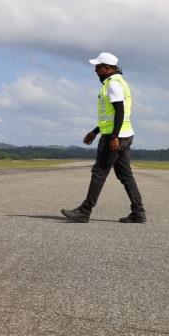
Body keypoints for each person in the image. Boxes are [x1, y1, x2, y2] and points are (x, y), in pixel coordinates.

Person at [62, 52, 146, 223]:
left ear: (107, 68)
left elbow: (119, 112)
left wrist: (113, 136)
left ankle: (84, 211)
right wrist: (95, 131)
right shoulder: (118, 82)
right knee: (125, 175)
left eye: (97, 67)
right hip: (124, 134)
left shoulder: (113, 85)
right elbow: (111, 116)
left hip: (115, 137)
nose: (95, 70)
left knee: (99, 172)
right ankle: (138, 212)